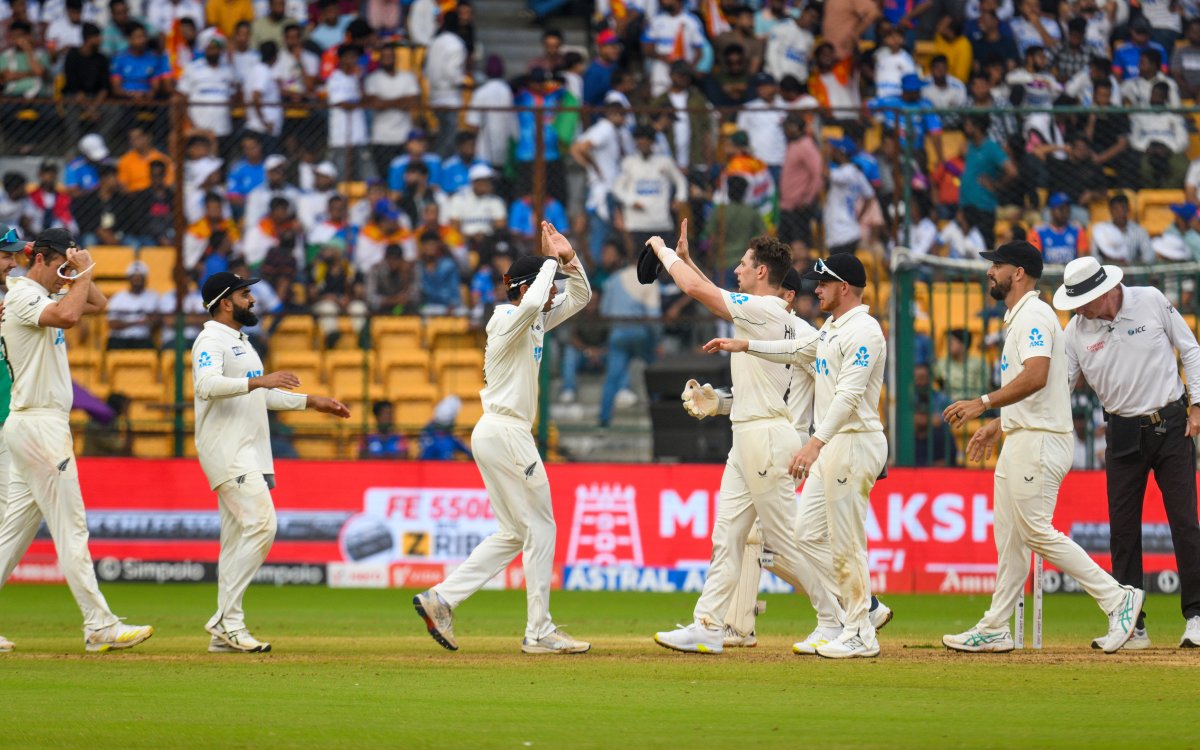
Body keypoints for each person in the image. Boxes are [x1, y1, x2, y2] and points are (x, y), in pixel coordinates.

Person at [648, 225, 846, 655]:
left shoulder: (766, 310)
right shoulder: (766, 313)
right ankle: (708, 624)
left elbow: (698, 290)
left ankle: (841, 616)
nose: (736, 269)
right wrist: (717, 404)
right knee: (729, 537)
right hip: (749, 433)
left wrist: (664, 252)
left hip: (765, 437)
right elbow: (710, 289)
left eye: (742, 264)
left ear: (761, 272)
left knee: (782, 543)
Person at [941, 241, 1145, 654]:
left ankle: (1116, 597)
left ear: (1018, 272)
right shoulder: (1019, 316)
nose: (989, 272)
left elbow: (1036, 375)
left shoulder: (1034, 314)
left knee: (1035, 531)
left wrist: (982, 404)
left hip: (1040, 441)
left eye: (995, 266)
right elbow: (1036, 388)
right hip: (1022, 436)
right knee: (1011, 540)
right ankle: (997, 627)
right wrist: (999, 426)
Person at [685, 266, 893, 650]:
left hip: (798, 444)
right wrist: (721, 398)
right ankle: (737, 624)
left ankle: (851, 617)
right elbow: (769, 386)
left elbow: (848, 395)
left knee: (775, 542)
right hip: (802, 444)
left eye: (823, 285)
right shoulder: (824, 332)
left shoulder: (818, 330)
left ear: (786, 297)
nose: (818, 291)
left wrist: (817, 442)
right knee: (778, 538)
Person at [412, 222, 592, 655]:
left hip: (498, 432)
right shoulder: (508, 318)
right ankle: (539, 632)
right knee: (542, 525)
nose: (553, 295)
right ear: (531, 286)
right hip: (507, 432)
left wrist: (568, 261)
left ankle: (442, 599)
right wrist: (550, 264)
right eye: (547, 286)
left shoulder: (533, 320)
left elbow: (581, 296)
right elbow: (532, 301)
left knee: (514, 532)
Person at [0, 228, 154, 653]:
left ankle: (99, 624)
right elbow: (69, 317)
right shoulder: (23, 294)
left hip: (33, 424)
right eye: (59, 266)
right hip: (39, 424)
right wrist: (81, 272)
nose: (63, 275)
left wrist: (77, 274)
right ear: (42, 259)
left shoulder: (44, 293)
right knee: (72, 528)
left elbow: (98, 304)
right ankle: (99, 625)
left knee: (10, 536)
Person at [193, 271, 349, 652]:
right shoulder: (210, 339)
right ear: (226, 302)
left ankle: (227, 629)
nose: (254, 300)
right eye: (246, 294)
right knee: (263, 525)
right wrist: (259, 382)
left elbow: (257, 397)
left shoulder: (240, 341)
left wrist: (312, 402)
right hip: (227, 449)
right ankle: (223, 619)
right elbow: (205, 386)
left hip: (247, 449)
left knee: (235, 542)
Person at [1054, 256, 1200, 650]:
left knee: (1185, 523)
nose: (1079, 309)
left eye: (1083, 300)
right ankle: (1132, 625)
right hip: (1120, 433)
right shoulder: (1074, 333)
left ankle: (1197, 617)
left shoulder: (1150, 299)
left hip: (1170, 424)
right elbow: (1060, 389)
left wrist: (1198, 407)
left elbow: (1190, 349)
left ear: (1104, 291)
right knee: (1122, 531)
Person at [106, 260, 159, 350]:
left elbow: (156, 321)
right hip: (119, 339)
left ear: (145, 279)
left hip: (142, 339)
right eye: (134, 277)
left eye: (140, 277)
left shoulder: (153, 297)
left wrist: (152, 321)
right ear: (129, 278)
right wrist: (137, 322)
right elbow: (112, 323)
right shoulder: (118, 297)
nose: (137, 280)